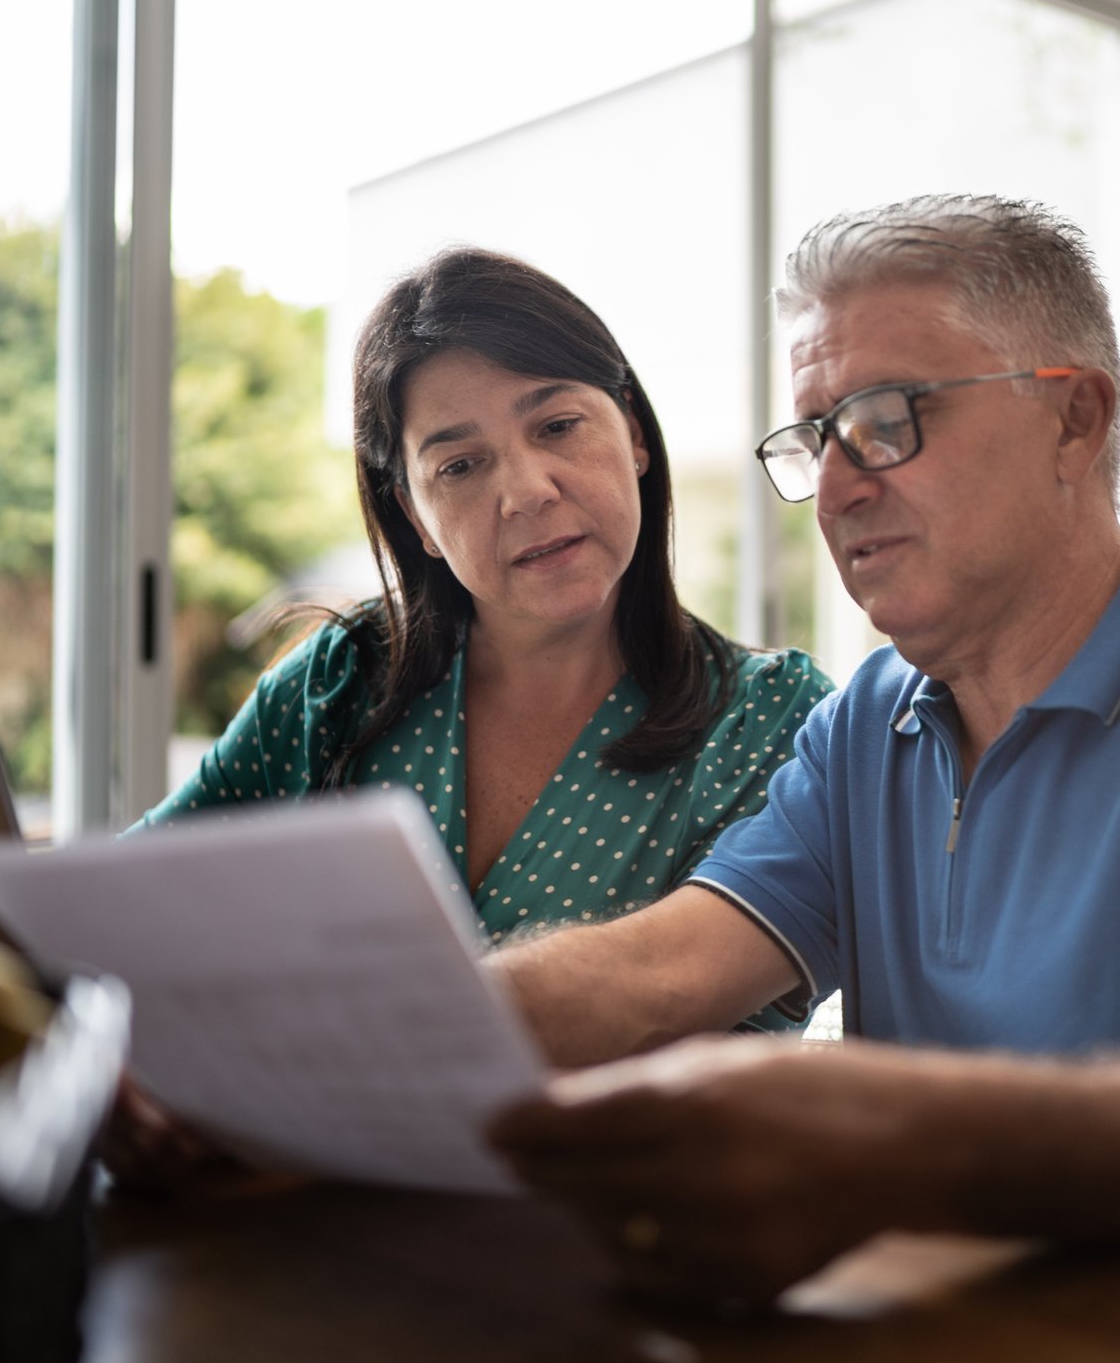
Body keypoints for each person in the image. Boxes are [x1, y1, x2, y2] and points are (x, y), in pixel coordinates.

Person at [484, 195, 1120, 1300]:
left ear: (1073, 421)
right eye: (814, 437)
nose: (835, 486)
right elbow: (655, 971)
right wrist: (366, 1042)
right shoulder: (865, 719)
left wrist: (886, 1145)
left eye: (886, 418)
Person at [111, 247, 832, 1179]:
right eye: (459, 465)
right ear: (413, 514)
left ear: (637, 438)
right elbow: (134, 906)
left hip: (630, 1251)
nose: (527, 489)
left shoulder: (777, 724)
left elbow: (689, 1025)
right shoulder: (341, 684)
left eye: (561, 424)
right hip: (300, 1233)